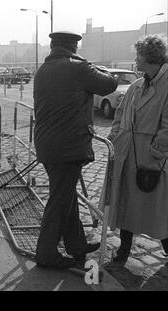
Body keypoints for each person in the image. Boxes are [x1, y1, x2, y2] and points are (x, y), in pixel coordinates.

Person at [33, 31, 118, 269]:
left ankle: (77, 245)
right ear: (74, 47)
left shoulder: (43, 70)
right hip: (67, 147)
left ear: (52, 46)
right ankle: (46, 254)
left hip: (48, 145)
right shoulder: (78, 68)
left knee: (66, 196)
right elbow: (109, 83)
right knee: (59, 201)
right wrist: (95, 66)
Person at [106, 35, 168, 264]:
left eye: (138, 54)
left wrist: (158, 151)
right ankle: (124, 249)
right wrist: (114, 138)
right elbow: (120, 113)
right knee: (127, 204)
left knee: (157, 208)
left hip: (152, 158)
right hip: (127, 153)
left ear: (149, 56)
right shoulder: (136, 85)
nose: (135, 59)